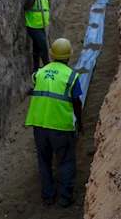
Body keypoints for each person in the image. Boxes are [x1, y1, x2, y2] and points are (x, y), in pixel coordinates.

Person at [25, 38, 83, 208]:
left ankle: (48, 196)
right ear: (69, 57)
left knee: (44, 161)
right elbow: (77, 102)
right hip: (60, 127)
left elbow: (35, 78)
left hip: (39, 125)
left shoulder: (40, 73)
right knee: (66, 162)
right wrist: (79, 122)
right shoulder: (71, 76)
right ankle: (66, 197)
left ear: (52, 54)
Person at [25, 0, 51, 72]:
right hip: (33, 26)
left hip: (42, 26)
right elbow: (28, 5)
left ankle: (35, 70)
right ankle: (49, 70)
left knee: (37, 49)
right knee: (44, 48)